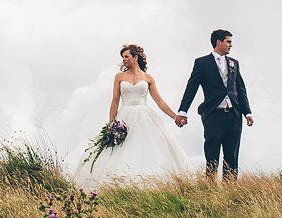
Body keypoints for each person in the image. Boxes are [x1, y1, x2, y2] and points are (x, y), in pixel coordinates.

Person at [71, 44, 193, 186]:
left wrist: (175, 117)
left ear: (135, 57)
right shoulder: (119, 77)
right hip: (125, 116)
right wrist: (112, 123)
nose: (124, 60)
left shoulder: (148, 78)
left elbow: (159, 101)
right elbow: (115, 101)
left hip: (145, 116)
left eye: (126, 56)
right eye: (122, 57)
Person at [177, 28, 252, 180]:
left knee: (232, 154)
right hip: (213, 114)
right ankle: (210, 187)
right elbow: (191, 87)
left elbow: (240, 89)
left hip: (234, 114)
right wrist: (182, 111)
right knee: (212, 153)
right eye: (228, 41)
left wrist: (247, 113)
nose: (231, 45)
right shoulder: (202, 63)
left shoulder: (234, 63)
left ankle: (230, 189)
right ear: (219, 42)